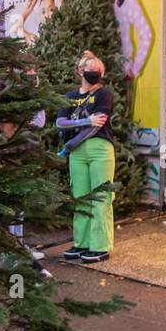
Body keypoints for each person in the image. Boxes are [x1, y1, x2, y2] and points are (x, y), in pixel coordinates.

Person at [57, 53, 114, 264]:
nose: (95, 72)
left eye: (99, 69)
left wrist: (71, 143)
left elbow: (96, 127)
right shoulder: (70, 96)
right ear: (80, 70)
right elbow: (60, 123)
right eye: (91, 68)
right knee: (80, 197)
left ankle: (100, 246)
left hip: (100, 148)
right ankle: (81, 243)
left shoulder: (104, 95)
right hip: (77, 155)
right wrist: (87, 120)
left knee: (100, 197)